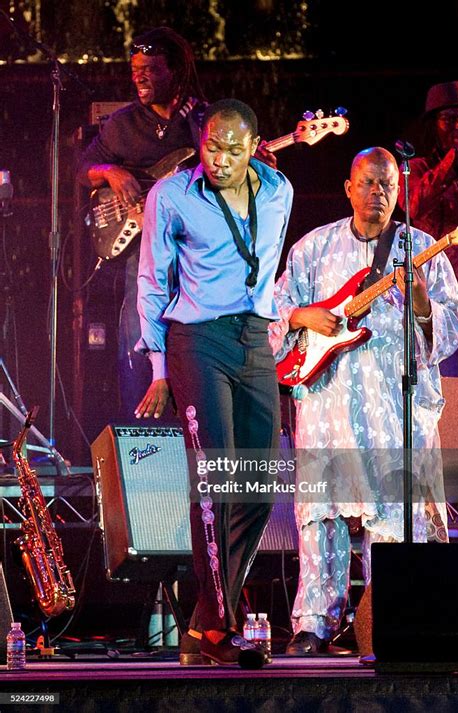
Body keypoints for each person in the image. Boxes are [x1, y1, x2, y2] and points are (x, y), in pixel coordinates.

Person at [269, 147, 458, 656]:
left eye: (386, 186)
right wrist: (302, 318)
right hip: (327, 406)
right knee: (321, 517)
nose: (377, 193)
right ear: (348, 188)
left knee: (396, 520)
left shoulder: (422, 249)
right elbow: (271, 311)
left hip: (393, 412)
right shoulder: (312, 249)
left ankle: (392, 619)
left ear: (398, 193)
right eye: (367, 183)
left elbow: (452, 329)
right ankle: (314, 623)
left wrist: (421, 302)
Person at [134, 98, 293, 665]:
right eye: (211, 146)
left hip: (254, 339)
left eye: (233, 149)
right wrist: (158, 368)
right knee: (216, 480)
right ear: (199, 143)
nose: (220, 159)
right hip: (196, 340)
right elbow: (153, 280)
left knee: (258, 483)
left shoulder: (279, 192)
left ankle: (203, 622)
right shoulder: (172, 196)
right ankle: (223, 626)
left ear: (254, 148)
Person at [77, 26, 207, 421]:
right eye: (135, 69)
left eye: (150, 68)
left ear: (175, 71)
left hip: (194, 253)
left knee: (193, 347)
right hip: (142, 254)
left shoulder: (205, 120)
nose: (140, 77)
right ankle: (141, 441)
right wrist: (112, 172)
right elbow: (83, 169)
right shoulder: (122, 124)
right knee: (136, 343)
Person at [398, 80, 458, 379]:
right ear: (433, 125)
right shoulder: (416, 168)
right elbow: (414, 206)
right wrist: (455, 156)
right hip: (442, 308)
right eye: (451, 119)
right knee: (451, 403)